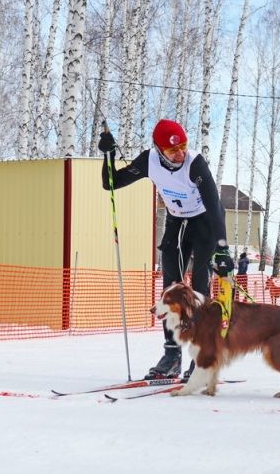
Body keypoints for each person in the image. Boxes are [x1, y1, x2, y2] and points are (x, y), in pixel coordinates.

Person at [98, 119, 232, 379]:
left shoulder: (195, 164)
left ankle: (201, 357)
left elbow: (215, 206)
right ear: (159, 150)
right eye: (172, 151)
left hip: (205, 223)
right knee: (171, 290)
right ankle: (171, 356)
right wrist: (109, 155)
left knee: (200, 292)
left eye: (183, 146)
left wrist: (222, 248)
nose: (180, 153)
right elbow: (111, 183)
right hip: (177, 223)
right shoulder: (149, 161)